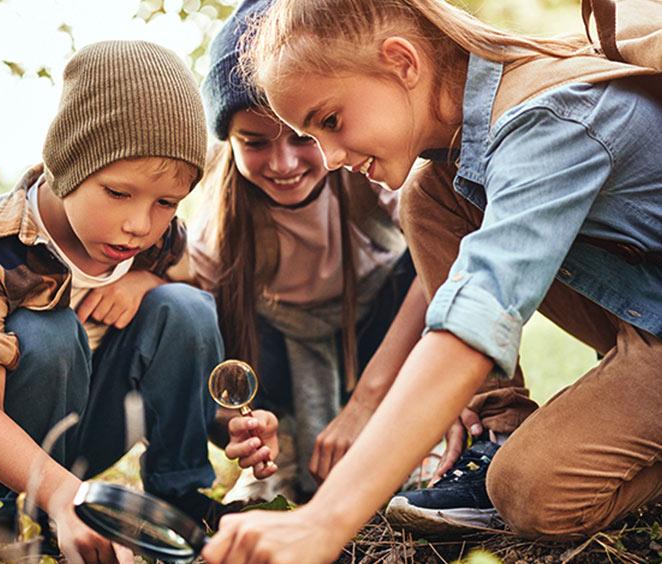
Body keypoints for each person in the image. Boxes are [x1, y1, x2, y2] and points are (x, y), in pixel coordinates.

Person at [200, 0, 662, 561]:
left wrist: (323, 521)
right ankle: (500, 429)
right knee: (428, 197)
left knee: (532, 491)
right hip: (644, 315)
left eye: (329, 122)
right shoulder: (458, 157)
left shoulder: (548, 119)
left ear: (402, 62)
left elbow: (478, 313)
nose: (331, 157)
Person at [0, 40, 268, 563]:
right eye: (118, 193)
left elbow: (179, 340)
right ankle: (14, 519)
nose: (139, 224)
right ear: (68, 165)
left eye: (166, 202)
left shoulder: (155, 241)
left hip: (78, 438)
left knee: (186, 305)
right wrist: (61, 497)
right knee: (49, 332)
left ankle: (178, 497)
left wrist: (229, 424)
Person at [187, 0, 421, 500]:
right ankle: (278, 454)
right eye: (254, 143)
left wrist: (367, 401)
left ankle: (420, 438)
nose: (283, 162)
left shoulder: (368, 173)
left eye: (300, 138)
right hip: (278, 350)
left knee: (429, 264)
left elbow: (447, 275)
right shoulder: (215, 228)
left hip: (376, 330)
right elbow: (204, 353)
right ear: (228, 142)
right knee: (202, 312)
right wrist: (236, 421)